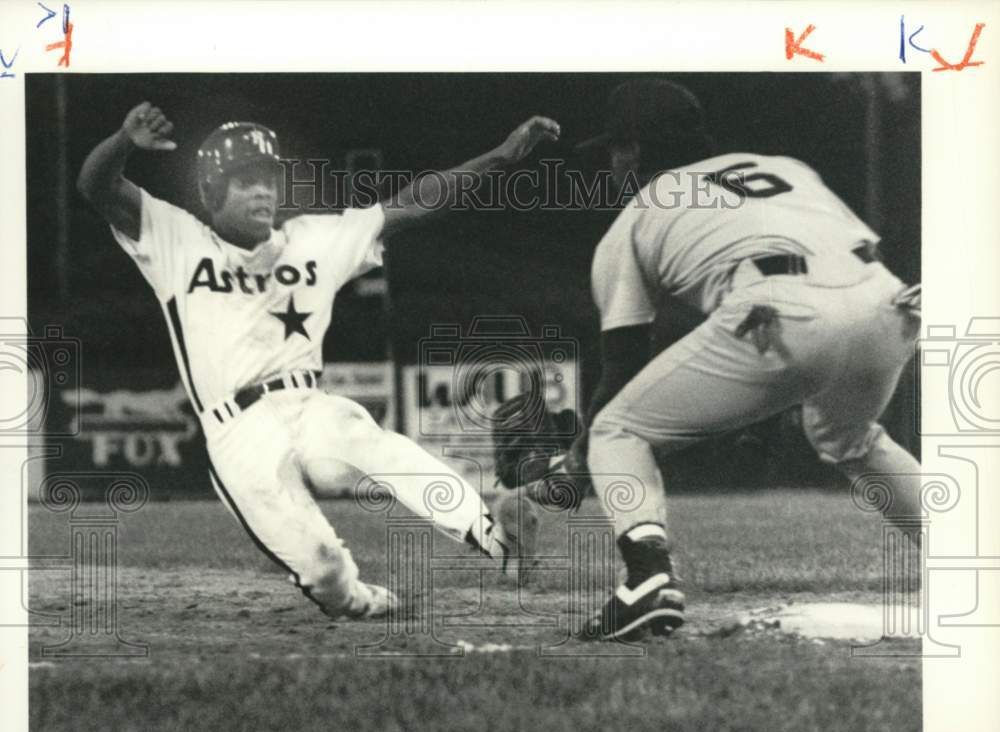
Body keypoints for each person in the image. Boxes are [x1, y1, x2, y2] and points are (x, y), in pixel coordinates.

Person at [77, 101, 560, 620]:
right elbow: (96, 186)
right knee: (325, 568)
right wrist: (125, 140)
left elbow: (413, 203)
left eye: (268, 177)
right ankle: (356, 598)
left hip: (308, 405)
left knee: (363, 442)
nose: (262, 189)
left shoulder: (313, 240)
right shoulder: (177, 240)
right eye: (243, 180)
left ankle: (499, 540)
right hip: (238, 432)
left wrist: (500, 158)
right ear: (211, 192)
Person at [569, 79, 921, 640]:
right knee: (846, 438)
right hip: (890, 301)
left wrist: (584, 453)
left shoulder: (633, 219)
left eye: (614, 148)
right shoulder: (785, 167)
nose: (612, 162)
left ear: (634, 150)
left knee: (616, 430)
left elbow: (623, 364)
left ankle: (647, 580)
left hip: (784, 308)